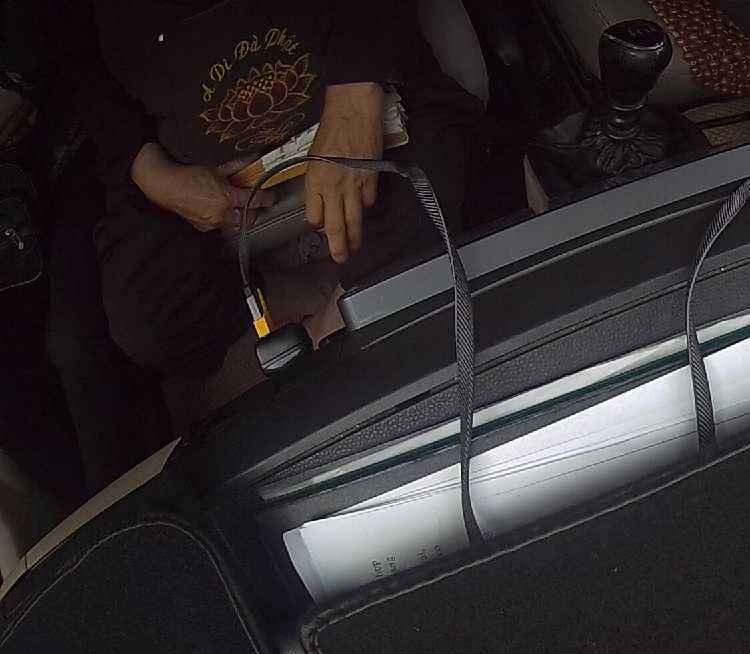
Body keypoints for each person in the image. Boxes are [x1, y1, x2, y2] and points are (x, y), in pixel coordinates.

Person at [77, 1, 484, 427]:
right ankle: (301, 292)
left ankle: (345, 307)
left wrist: (355, 86)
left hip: (354, 78)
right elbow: (70, 59)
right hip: (179, 154)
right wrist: (146, 166)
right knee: (148, 319)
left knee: (436, 200)